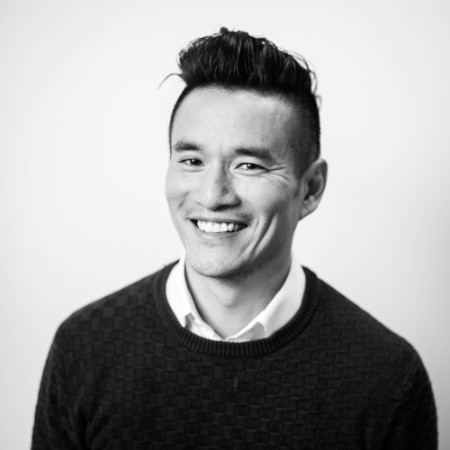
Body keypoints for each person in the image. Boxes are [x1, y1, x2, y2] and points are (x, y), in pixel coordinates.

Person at [32, 28, 438, 449]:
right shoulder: (84, 347)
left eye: (249, 166)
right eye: (192, 160)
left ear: (311, 189)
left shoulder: (387, 377)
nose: (212, 196)